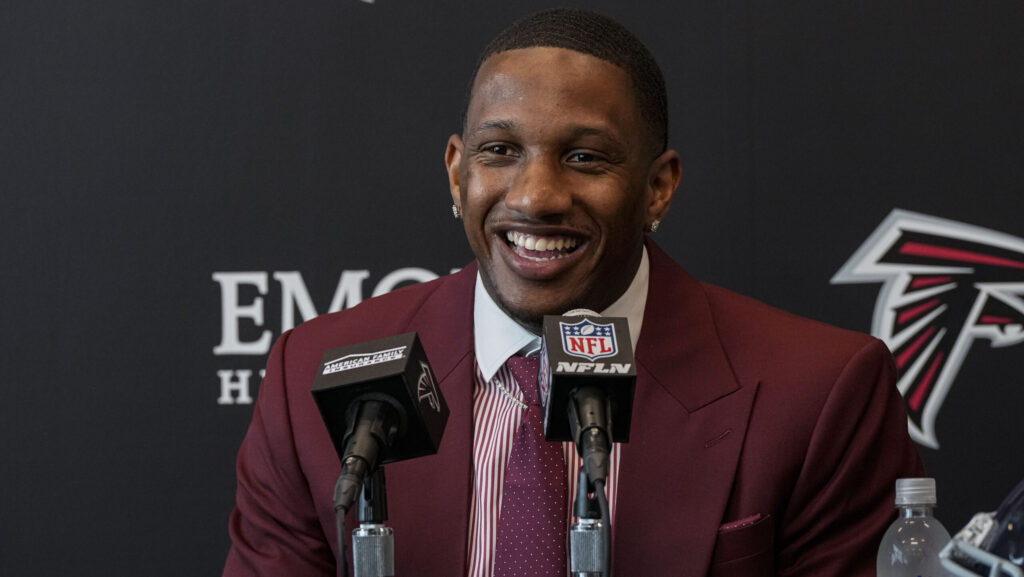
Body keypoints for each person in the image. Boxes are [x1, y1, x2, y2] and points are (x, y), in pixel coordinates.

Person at [223, 8, 923, 577]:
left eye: (584, 157)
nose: (536, 196)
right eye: (500, 151)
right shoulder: (310, 374)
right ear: (455, 172)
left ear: (658, 186)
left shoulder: (821, 390)